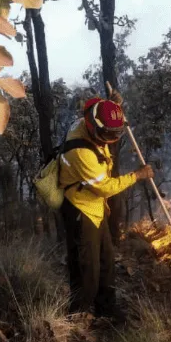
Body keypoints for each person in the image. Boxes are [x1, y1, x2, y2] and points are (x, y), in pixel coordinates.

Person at [58, 94, 154, 320]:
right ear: (93, 128)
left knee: (106, 261)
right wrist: (137, 175)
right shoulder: (80, 152)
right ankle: (78, 315)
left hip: (96, 208)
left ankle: (106, 309)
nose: (110, 140)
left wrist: (114, 106)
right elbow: (105, 188)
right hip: (81, 209)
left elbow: (98, 106)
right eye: (107, 135)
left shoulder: (90, 118)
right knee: (87, 267)